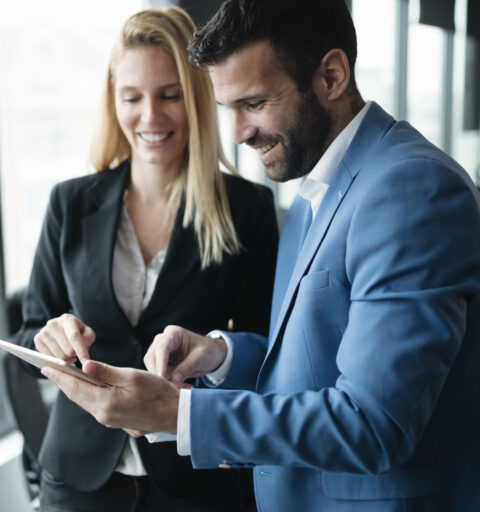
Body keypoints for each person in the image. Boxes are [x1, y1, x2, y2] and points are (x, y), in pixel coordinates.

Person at [39, 1, 480, 511]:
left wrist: (178, 414)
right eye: (228, 108)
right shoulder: (311, 193)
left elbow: (373, 423)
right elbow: (308, 365)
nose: (237, 133)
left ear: (332, 76)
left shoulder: (412, 189)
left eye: (253, 103)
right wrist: (223, 356)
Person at [12, 6, 278, 511]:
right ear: (113, 102)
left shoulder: (247, 210)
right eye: (132, 97)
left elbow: (264, 355)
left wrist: (212, 356)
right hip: (79, 481)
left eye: (170, 95)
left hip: (196, 482)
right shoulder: (69, 204)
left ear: (196, 98)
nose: (150, 116)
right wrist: (50, 342)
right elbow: (29, 335)